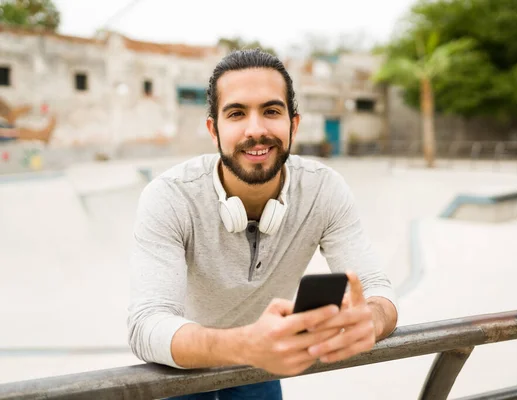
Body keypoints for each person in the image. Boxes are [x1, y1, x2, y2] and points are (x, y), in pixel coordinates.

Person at [127, 48, 398, 400]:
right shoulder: (169, 197)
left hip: (261, 366)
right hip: (180, 363)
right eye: (237, 113)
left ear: (293, 125)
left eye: (271, 111)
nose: (256, 130)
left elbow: (378, 288)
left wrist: (372, 319)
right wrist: (245, 344)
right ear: (214, 130)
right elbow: (146, 325)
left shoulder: (324, 190)